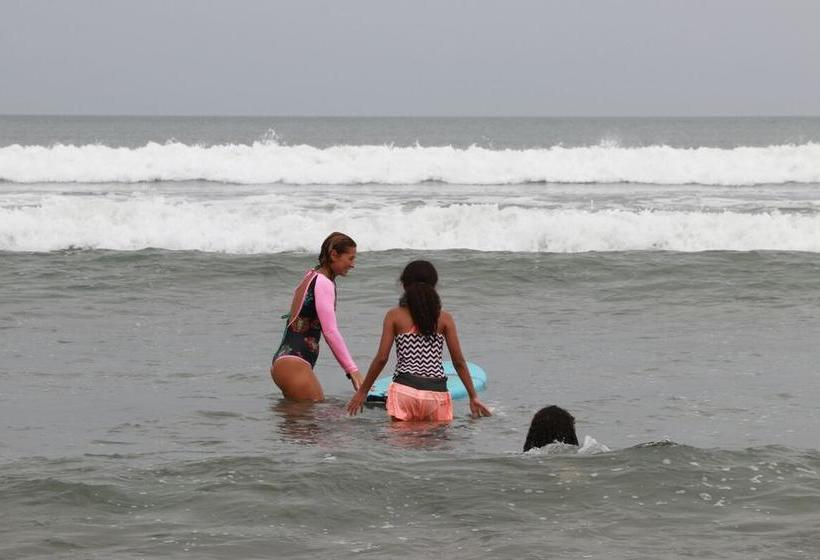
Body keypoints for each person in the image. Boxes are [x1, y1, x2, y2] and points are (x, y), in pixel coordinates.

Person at [347, 260, 491, 420]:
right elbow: (458, 362)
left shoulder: (394, 316)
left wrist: (363, 391)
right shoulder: (445, 319)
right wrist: (473, 396)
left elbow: (381, 358)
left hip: (404, 391)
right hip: (436, 394)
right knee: (435, 443)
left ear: (404, 285)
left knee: (400, 444)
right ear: (434, 286)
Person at [271, 232, 363, 401]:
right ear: (334, 255)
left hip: (285, 362)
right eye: (350, 258)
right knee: (316, 417)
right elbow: (330, 331)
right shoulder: (323, 282)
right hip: (294, 364)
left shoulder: (312, 275)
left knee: (296, 425)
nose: (353, 265)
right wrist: (352, 370)